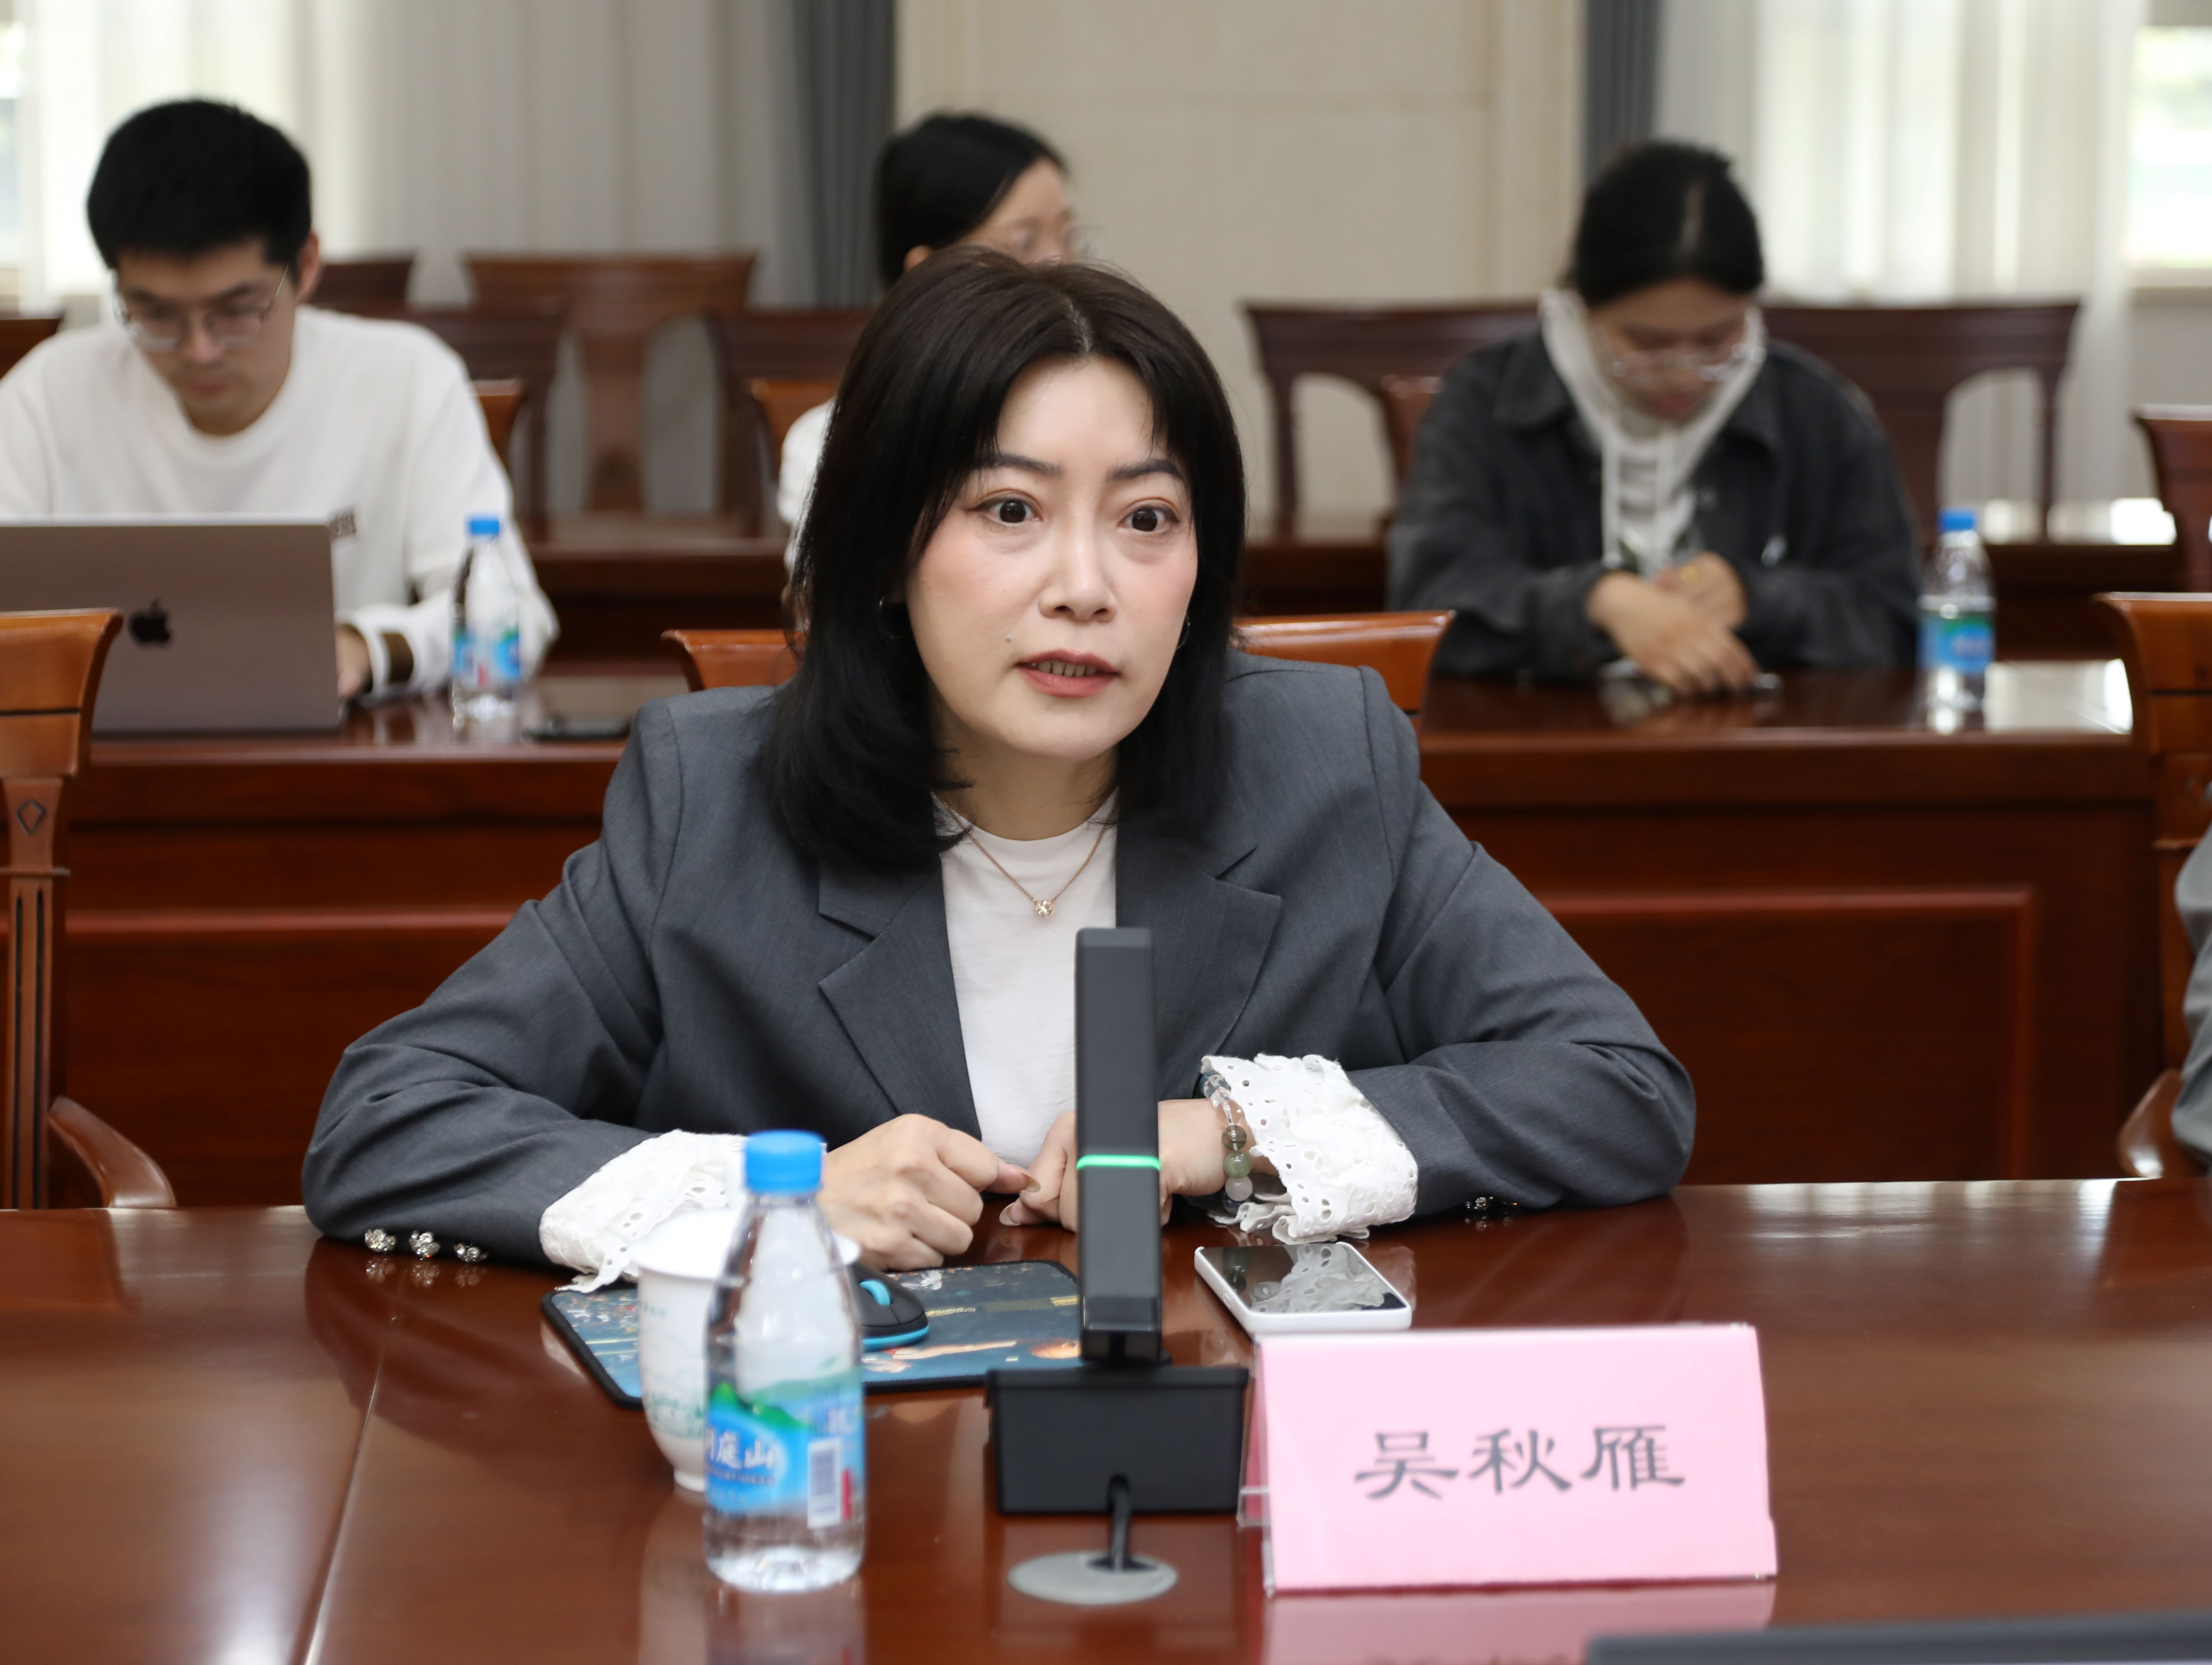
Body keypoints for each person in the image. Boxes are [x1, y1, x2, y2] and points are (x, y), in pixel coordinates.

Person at [304, 250, 1694, 1282]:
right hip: (841, 1475)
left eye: (1146, 518)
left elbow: (1617, 1086)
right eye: (1011, 509)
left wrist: (1228, 1137)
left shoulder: (1325, 763)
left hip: (1215, 1456)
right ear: (885, 552)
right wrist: (775, 1199)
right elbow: (388, 1122)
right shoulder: (709, 801)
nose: (1085, 584)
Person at [0, 99, 556, 701]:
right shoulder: (48, 397)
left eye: (237, 311)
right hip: (95, 754)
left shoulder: (407, 381)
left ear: (307, 265)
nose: (200, 350)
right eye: (155, 314)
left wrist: (364, 648)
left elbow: (514, 619)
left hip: (344, 750)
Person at [1387, 141, 1918, 694]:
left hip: (1757, 738)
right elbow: (1428, 605)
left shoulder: (1815, 413)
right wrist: (1596, 603)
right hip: (1543, 738)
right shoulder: (1486, 404)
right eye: (1647, 344)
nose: (1684, 375)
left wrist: (1761, 598)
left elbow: (1896, 619)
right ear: (1581, 308)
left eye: (1717, 341)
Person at [777, 111, 1076, 541]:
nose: (1059, 263)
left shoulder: (1102, 405)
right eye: (1024, 242)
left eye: (1068, 236)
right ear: (928, 269)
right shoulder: (831, 443)